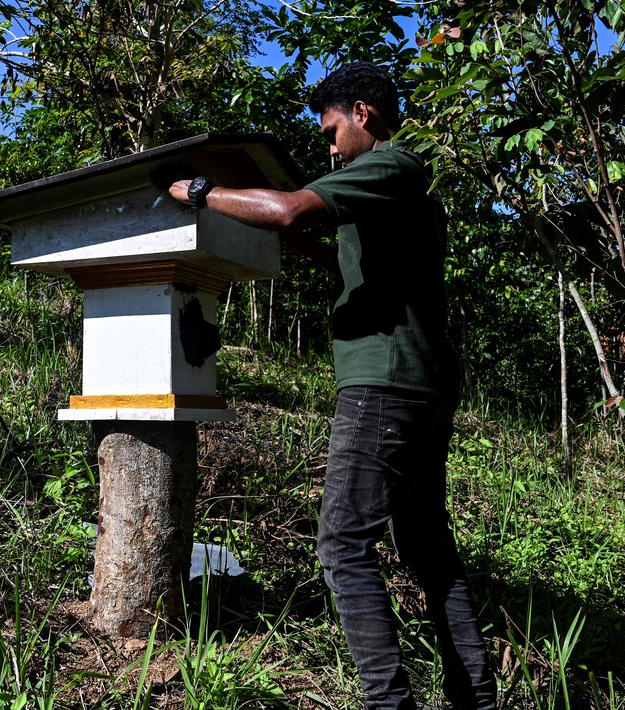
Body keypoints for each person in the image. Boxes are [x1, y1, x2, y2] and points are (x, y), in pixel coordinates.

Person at [169, 61, 497, 710]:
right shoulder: (403, 189)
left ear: (362, 114)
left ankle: (388, 704)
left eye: (329, 131)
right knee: (426, 549)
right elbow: (338, 251)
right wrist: (302, 247)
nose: (327, 146)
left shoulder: (390, 164)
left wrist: (201, 192)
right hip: (421, 384)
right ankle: (476, 702)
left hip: (384, 384)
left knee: (342, 543)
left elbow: (290, 211)